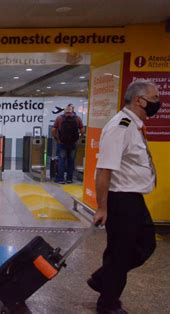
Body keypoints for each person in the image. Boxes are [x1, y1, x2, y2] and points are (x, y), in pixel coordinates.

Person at [89, 80, 159, 314]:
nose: (158, 102)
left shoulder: (134, 126)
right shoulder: (121, 126)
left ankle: (103, 279)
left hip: (134, 198)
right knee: (121, 252)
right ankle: (107, 304)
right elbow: (104, 170)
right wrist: (102, 207)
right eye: (154, 98)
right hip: (121, 200)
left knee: (145, 244)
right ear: (140, 100)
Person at [51, 104, 84, 184]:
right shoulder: (78, 118)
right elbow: (82, 130)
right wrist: (78, 137)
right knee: (71, 161)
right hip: (73, 143)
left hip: (62, 143)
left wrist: (57, 139)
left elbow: (53, 130)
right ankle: (69, 179)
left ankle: (60, 179)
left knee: (61, 160)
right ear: (72, 110)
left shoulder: (59, 118)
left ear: (65, 110)